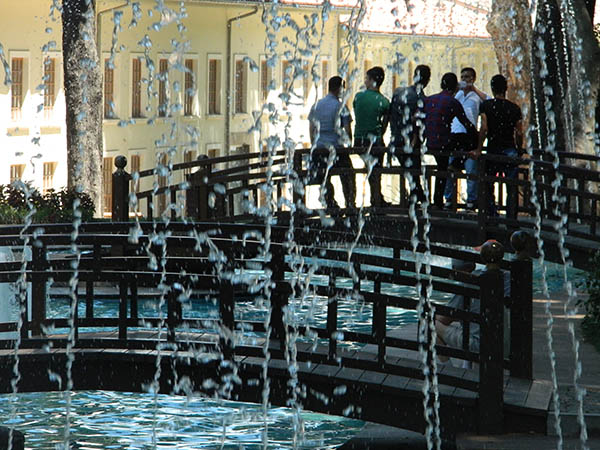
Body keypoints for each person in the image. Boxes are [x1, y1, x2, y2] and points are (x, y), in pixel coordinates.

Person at [424, 73, 477, 210]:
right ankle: (456, 164)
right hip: (443, 142)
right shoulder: (453, 102)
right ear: (455, 88)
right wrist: (476, 143)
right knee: (464, 139)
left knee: (441, 167)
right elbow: (466, 124)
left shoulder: (429, 99)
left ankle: (436, 201)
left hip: (430, 141)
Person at [472, 74, 524, 215]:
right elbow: (519, 132)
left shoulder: (486, 106)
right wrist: (519, 148)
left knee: (487, 184)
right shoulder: (514, 108)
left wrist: (478, 148)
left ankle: (491, 215)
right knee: (512, 186)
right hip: (509, 150)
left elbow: (484, 128)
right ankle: (511, 219)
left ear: (492, 89)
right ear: (505, 89)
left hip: (493, 149)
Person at [443, 67, 490, 210]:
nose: (465, 79)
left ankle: (471, 201)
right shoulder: (456, 95)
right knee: (450, 169)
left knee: (471, 171)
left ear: (473, 79)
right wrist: (457, 89)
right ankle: (449, 200)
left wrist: (473, 89)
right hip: (454, 135)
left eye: (468, 77)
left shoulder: (477, 96)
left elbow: (489, 101)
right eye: (462, 77)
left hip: (470, 137)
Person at [308, 76, 356, 208]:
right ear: (340, 88)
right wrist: (349, 143)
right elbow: (347, 128)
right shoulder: (340, 106)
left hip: (320, 149)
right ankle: (350, 204)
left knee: (324, 177)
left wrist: (314, 145)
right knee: (348, 176)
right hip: (336, 149)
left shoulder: (316, 105)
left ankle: (330, 203)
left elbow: (311, 128)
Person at [389, 64, 431, 204]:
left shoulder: (399, 92)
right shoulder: (421, 99)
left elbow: (391, 116)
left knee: (410, 173)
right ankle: (418, 198)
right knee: (414, 171)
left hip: (396, 139)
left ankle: (415, 197)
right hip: (411, 142)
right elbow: (418, 123)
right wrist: (415, 141)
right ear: (427, 80)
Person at [353, 66, 390, 207]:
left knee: (370, 169)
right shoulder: (384, 101)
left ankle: (376, 198)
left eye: (367, 79)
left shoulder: (358, 97)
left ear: (372, 81)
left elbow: (357, 114)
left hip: (359, 140)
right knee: (376, 171)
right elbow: (385, 125)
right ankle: (377, 200)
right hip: (375, 141)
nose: (365, 82)